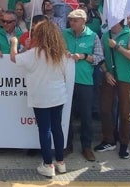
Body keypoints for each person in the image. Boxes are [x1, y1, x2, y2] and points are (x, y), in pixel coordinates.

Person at [10, 20, 68, 178]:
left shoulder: (34, 54)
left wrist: (14, 43)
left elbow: (14, 58)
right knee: (57, 128)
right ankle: (61, 163)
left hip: (41, 96)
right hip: (58, 95)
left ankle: (48, 164)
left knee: (45, 130)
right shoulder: (60, 52)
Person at [62, 9, 104, 162]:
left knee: (86, 116)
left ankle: (86, 146)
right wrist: (63, 52)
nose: (71, 22)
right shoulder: (64, 33)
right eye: (70, 19)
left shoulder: (92, 36)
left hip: (85, 81)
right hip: (66, 80)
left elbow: (99, 57)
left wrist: (84, 56)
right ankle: (67, 145)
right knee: (67, 114)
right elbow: (56, 50)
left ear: (83, 21)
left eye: (75, 20)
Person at [95, 19, 130, 159]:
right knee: (105, 108)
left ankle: (124, 144)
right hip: (109, 77)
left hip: (125, 77)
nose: (107, 21)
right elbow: (100, 57)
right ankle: (109, 140)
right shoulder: (105, 35)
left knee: (125, 111)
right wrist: (106, 72)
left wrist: (117, 47)